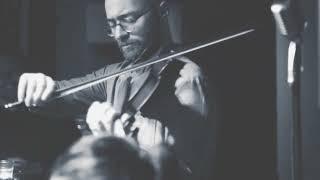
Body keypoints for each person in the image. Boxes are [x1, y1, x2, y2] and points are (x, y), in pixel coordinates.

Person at [16, 0, 210, 178]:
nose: (119, 34)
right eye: (111, 24)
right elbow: (62, 95)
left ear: (161, 11)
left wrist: (122, 149)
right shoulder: (118, 74)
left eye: (129, 20)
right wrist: (40, 84)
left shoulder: (188, 78)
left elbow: (186, 173)